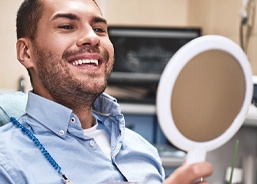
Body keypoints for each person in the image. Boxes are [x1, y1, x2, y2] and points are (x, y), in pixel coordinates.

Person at [0, 0, 213, 183]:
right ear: (26, 52)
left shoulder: (143, 150)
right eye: (66, 26)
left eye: (99, 29)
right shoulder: (6, 161)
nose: (92, 37)